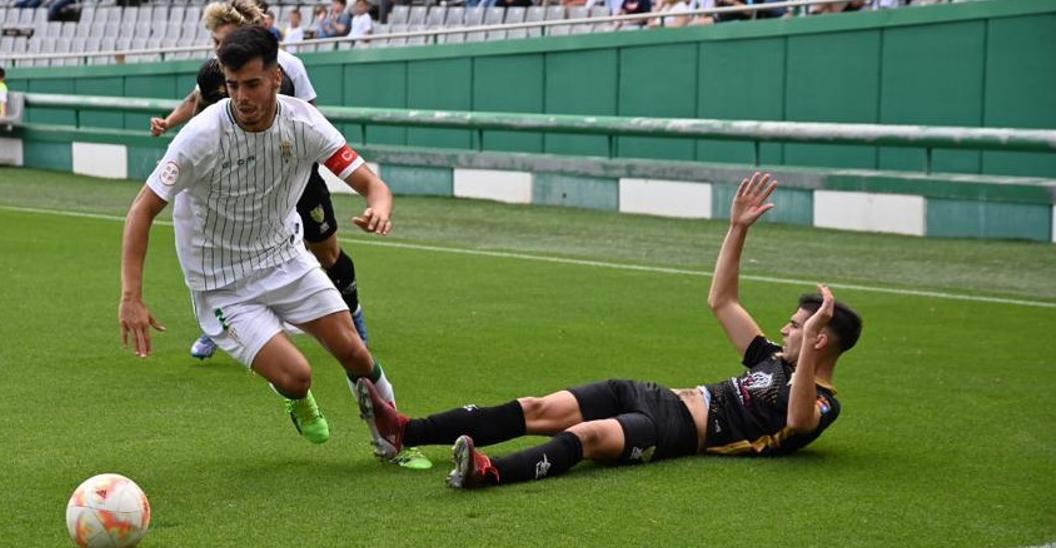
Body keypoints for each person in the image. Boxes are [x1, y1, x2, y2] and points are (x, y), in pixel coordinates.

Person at [356, 172, 863, 489]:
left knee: (587, 436)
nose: (785, 330)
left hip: (681, 433)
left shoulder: (820, 402)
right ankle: (405, 432)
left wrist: (811, 345)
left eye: (799, 327)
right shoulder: (772, 358)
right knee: (537, 408)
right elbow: (722, 300)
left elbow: (796, 424)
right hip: (654, 395)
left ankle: (489, 472)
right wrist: (738, 229)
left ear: (820, 338)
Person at [121, 25, 430, 470]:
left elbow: (370, 183)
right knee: (297, 374)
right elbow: (141, 211)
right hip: (222, 282)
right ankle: (294, 397)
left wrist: (379, 206)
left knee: (354, 351)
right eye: (232, 85)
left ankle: (394, 442)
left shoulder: (302, 122)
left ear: (276, 78)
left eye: (252, 84)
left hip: (286, 258)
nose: (241, 96)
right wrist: (131, 296)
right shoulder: (200, 136)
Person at [150, 0, 376, 366]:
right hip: (236, 177)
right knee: (232, 243)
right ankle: (226, 323)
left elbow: (310, 116)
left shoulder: (291, 68)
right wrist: (169, 122)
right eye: (214, 43)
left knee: (326, 251)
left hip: (292, 173)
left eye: (223, 39)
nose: (218, 50)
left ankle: (350, 313)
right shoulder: (215, 72)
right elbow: (196, 102)